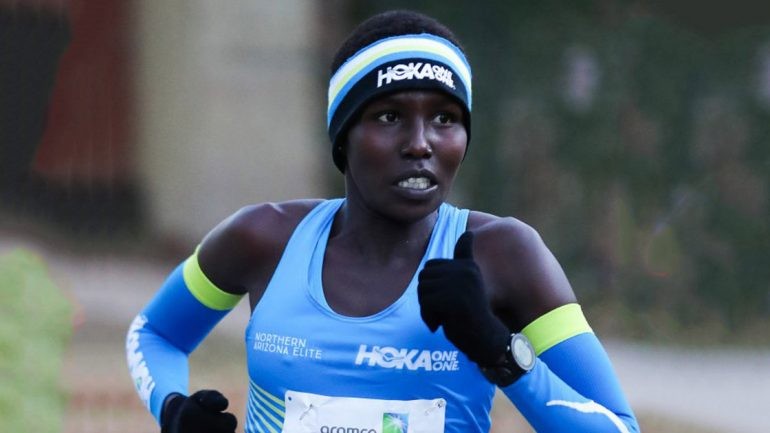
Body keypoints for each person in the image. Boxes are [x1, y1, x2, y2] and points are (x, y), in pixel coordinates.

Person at [126, 9, 640, 433]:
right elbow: (155, 334)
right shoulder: (263, 239)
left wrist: (498, 350)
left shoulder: (505, 255)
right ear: (343, 137)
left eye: (444, 118)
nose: (420, 143)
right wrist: (172, 408)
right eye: (389, 117)